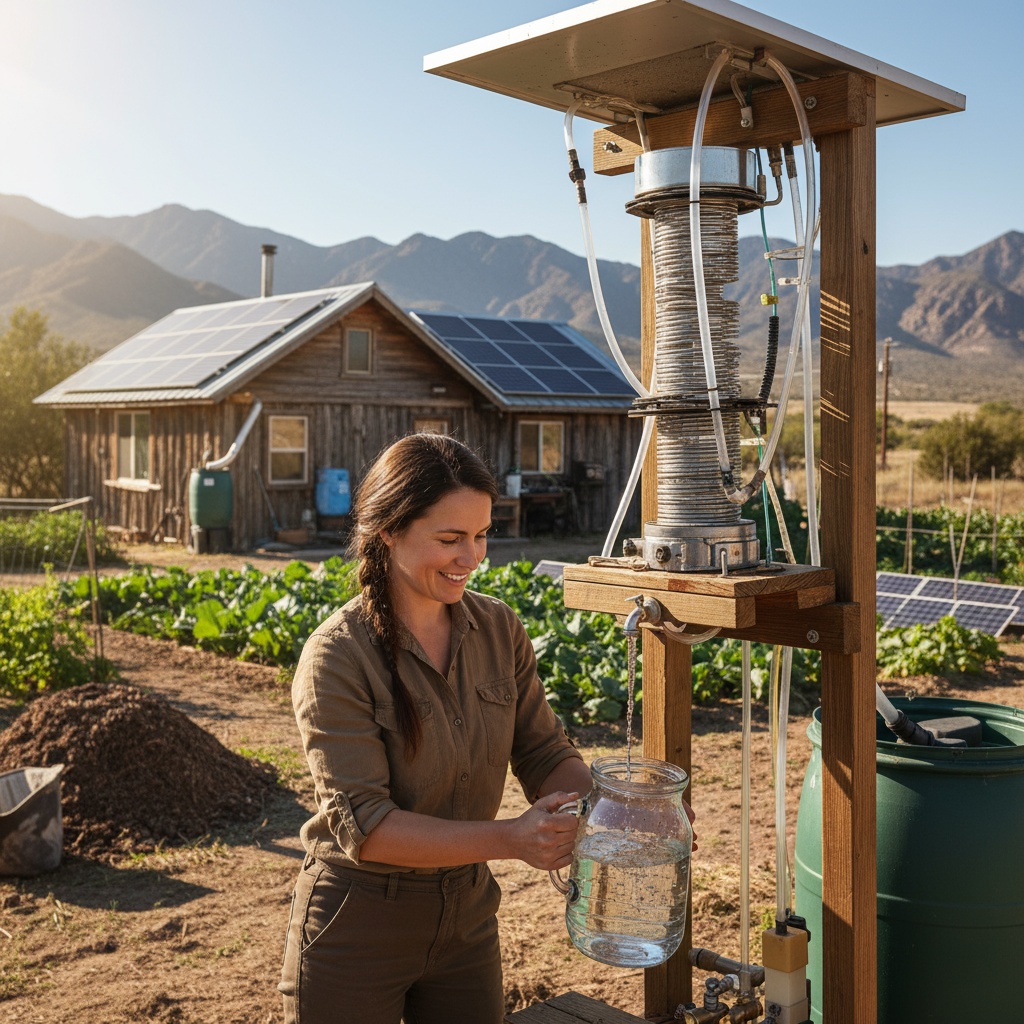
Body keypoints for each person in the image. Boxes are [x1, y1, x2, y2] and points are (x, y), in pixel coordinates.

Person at [279, 433, 593, 1024]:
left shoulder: (499, 629)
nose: (471, 557)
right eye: (449, 539)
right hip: (359, 924)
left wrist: (618, 809)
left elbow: (543, 749)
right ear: (388, 532)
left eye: (480, 536)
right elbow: (366, 827)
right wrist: (510, 839)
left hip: (468, 918)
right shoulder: (338, 657)